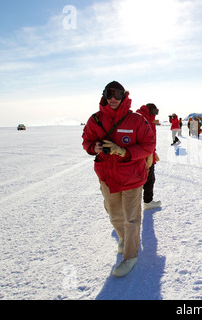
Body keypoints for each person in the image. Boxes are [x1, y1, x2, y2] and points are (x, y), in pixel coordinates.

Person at [82, 81, 155, 277]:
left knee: (131, 218)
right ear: (104, 95)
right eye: (109, 93)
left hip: (131, 176)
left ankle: (130, 256)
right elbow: (86, 141)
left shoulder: (137, 120)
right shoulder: (95, 120)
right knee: (114, 214)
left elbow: (148, 145)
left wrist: (124, 151)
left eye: (117, 94)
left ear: (124, 95)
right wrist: (93, 148)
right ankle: (123, 238)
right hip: (107, 176)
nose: (113, 98)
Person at [136, 103, 161, 211]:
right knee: (147, 179)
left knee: (144, 179)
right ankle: (147, 202)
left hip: (146, 154)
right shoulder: (144, 120)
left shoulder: (146, 119)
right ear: (151, 111)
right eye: (155, 111)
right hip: (144, 156)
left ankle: (140, 202)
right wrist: (150, 154)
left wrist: (153, 152)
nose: (156, 114)